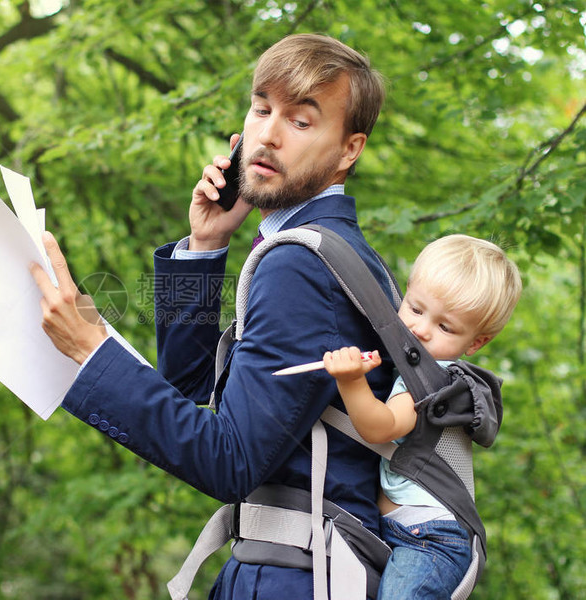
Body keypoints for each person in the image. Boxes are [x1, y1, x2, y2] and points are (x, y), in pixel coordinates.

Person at [32, 33, 391, 598]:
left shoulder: (302, 264)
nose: (268, 134)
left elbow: (229, 461)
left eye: (301, 121)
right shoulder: (321, 252)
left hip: (298, 578)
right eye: (262, 107)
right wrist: (204, 245)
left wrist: (89, 351)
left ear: (349, 150)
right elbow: (189, 387)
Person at [323, 234, 522, 600]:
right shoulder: (438, 373)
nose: (421, 329)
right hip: (411, 534)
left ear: (477, 342)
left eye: (445, 327)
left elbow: (379, 426)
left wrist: (351, 381)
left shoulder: (429, 379)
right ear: (405, 293)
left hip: (429, 541)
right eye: (415, 309)